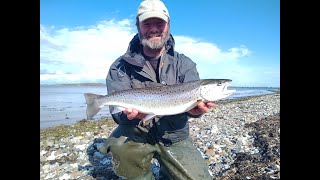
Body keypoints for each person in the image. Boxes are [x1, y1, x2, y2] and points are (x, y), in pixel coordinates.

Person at [100, 0, 216, 179]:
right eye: (147, 23)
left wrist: (196, 112)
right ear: (138, 26)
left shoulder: (185, 64)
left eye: (159, 23)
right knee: (119, 147)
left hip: (175, 135)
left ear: (168, 25)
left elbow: (193, 109)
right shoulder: (120, 66)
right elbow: (117, 112)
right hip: (136, 132)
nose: (154, 28)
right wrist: (127, 116)